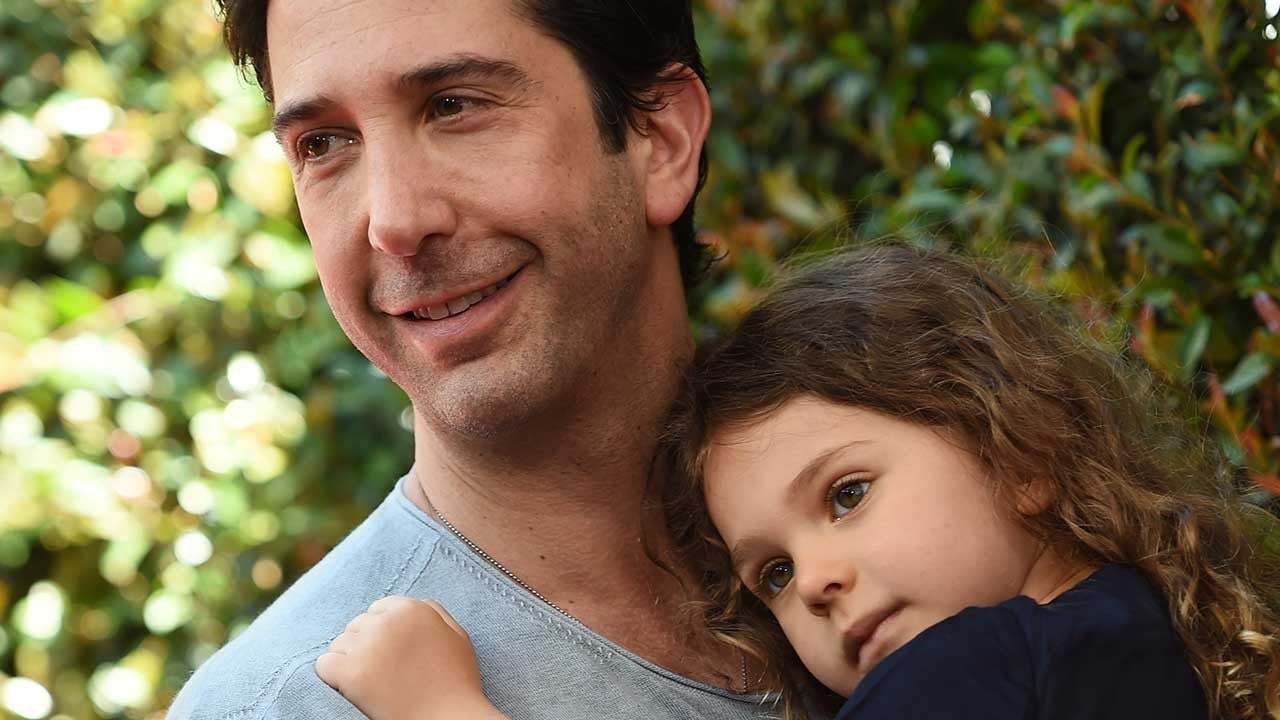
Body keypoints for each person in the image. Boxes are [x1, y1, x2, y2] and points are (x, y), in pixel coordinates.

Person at [311, 244, 1280, 720]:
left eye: (846, 495)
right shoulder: (1136, 633)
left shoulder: (974, 669)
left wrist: (443, 710)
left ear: (1018, 452)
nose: (813, 579)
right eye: (768, 575)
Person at [167, 1, 774, 718]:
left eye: (453, 105)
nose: (394, 221)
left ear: (662, 138)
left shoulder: (907, 530)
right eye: (325, 144)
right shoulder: (292, 704)